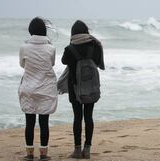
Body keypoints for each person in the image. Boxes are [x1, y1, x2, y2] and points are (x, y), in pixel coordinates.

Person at [61, 20, 105, 159]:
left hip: (75, 88)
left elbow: (64, 61)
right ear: (86, 31)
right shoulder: (95, 46)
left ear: (73, 33)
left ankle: (77, 150)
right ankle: (87, 150)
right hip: (91, 86)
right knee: (89, 117)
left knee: (77, 117)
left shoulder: (70, 48)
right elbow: (98, 62)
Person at [18, 17, 57, 161]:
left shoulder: (24, 47)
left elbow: (22, 64)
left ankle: (29, 154)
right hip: (46, 87)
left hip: (29, 87)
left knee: (29, 121)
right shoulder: (51, 48)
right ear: (44, 31)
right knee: (44, 122)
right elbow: (51, 64)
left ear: (31, 31)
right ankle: (43, 154)